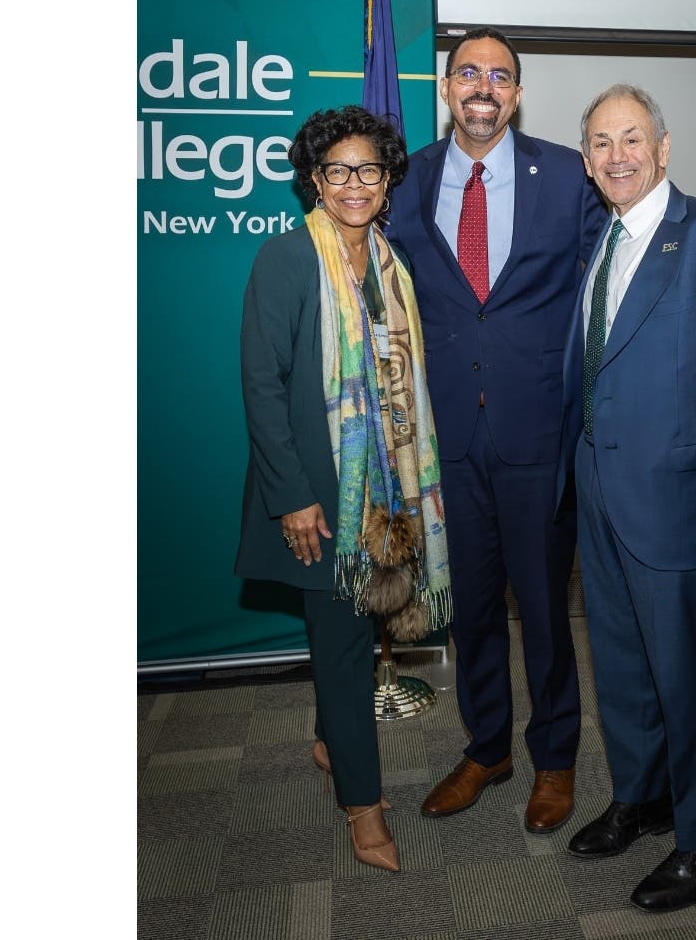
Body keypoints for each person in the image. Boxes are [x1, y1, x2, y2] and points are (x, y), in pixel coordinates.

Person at [556, 84, 696, 913]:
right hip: (598, 486)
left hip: (680, 497)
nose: (617, 155)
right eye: (601, 143)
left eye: (631, 138)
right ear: (587, 161)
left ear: (664, 147)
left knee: (686, 673)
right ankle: (643, 798)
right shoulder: (601, 237)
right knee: (619, 663)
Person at [387, 27, 607, 832]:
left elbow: (602, 292)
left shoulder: (569, 177)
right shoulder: (406, 181)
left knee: (545, 610)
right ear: (448, 88)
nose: (484, 86)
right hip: (445, 439)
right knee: (471, 608)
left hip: (538, 436)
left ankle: (554, 758)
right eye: (469, 73)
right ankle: (487, 749)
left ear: (516, 94)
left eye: (501, 76)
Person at [234, 105, 452, 874]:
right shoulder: (287, 259)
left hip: (388, 488)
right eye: (338, 170)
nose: (355, 184)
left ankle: (332, 740)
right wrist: (292, 497)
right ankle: (365, 807)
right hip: (322, 499)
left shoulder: (393, 266)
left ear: (388, 181)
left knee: (351, 637)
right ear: (315, 181)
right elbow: (262, 385)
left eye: (369, 169)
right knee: (344, 648)